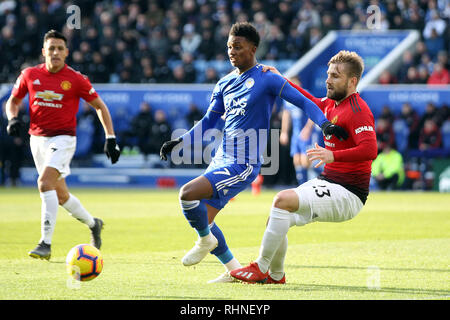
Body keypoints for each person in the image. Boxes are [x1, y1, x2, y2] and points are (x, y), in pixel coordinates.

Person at [159, 22, 348, 283]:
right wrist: (180, 140)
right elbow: (209, 121)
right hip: (221, 158)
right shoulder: (224, 83)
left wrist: (325, 123)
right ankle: (232, 269)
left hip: (243, 163)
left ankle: (204, 241)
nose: (232, 51)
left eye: (238, 46)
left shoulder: (267, 77)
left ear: (253, 48)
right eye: (229, 47)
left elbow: (303, 101)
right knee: (205, 218)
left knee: (187, 195)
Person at [230, 50, 378, 284]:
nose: (328, 80)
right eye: (328, 74)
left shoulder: (358, 111)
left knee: (281, 200)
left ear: (353, 81)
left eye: (335, 76)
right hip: (330, 182)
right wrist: (281, 80)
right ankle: (276, 276)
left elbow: (370, 150)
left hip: (350, 193)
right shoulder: (331, 104)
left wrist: (333, 155)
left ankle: (260, 267)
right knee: (276, 218)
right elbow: (307, 99)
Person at [5, 30, 121, 260]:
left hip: (63, 139)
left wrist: (110, 138)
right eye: (51, 48)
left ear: (67, 52)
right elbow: (14, 101)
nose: (55, 52)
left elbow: (100, 106)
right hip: (37, 140)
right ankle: (93, 223)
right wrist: (13, 118)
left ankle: (45, 243)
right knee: (60, 194)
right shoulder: (29, 75)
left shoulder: (76, 79)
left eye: (60, 48)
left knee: (43, 183)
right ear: (44, 51)